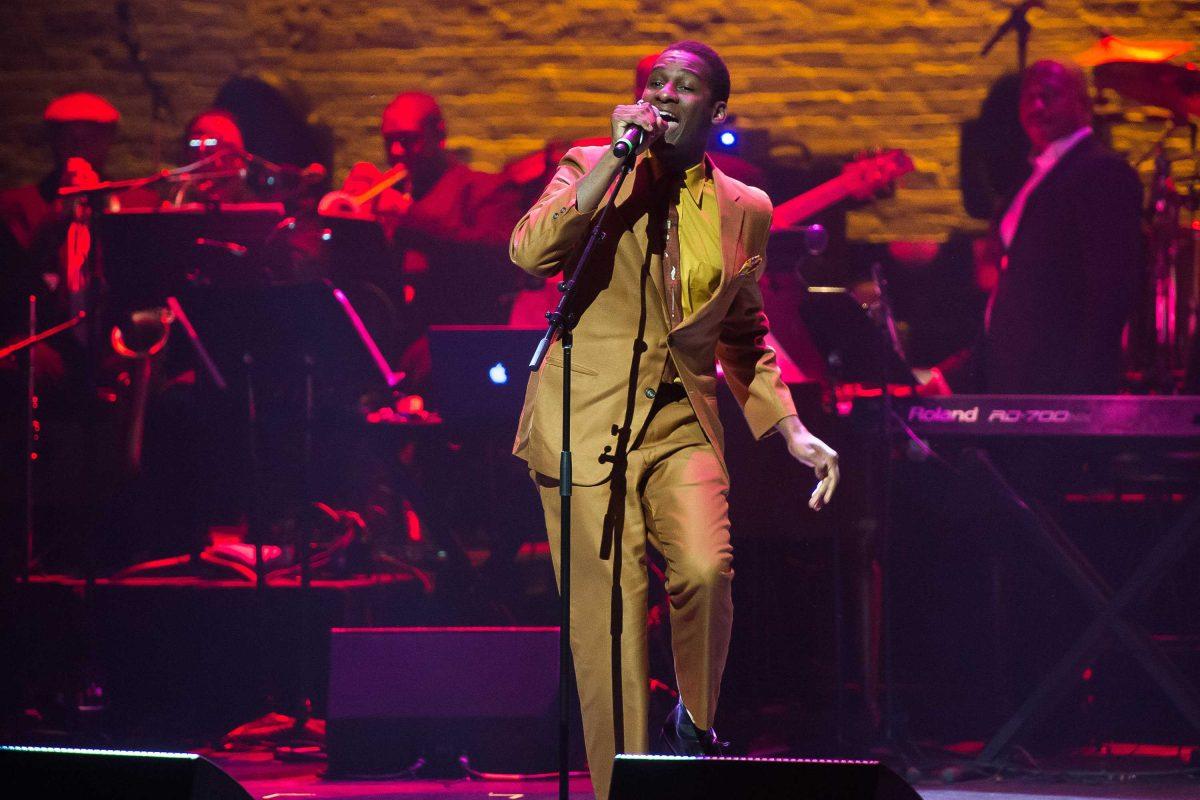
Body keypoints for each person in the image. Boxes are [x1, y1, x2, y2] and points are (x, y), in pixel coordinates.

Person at [510, 41, 839, 800]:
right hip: (580, 423)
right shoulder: (590, 163)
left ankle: (693, 725)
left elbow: (744, 333)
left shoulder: (745, 208)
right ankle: (627, 791)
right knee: (612, 630)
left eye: (683, 86)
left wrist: (790, 428)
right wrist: (610, 163)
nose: (663, 94)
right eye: (653, 83)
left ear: (715, 110)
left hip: (680, 418)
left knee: (705, 568)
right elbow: (530, 253)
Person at [921, 60, 1143, 395]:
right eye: (1030, 97)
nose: (1037, 106)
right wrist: (961, 376)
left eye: (1050, 95)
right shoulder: (1030, 180)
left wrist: (1082, 391)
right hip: (1016, 381)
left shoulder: (1102, 172)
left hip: (1060, 386)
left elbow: (1110, 291)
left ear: (1083, 105)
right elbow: (1010, 298)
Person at [340, 92, 524, 329]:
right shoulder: (392, 192)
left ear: (438, 134)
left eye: (408, 139)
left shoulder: (485, 189)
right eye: (389, 141)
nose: (396, 151)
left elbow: (497, 255)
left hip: (458, 336)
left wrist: (406, 216)